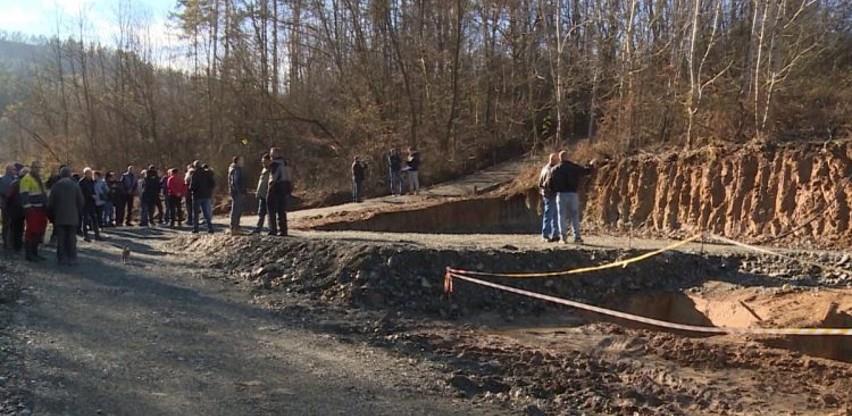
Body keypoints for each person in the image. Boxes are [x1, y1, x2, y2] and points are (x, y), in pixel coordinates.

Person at [549, 151, 593, 244]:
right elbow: (586, 171)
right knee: (574, 216)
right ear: (567, 157)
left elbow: (550, 183)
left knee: (561, 216)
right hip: (573, 194)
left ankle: (563, 238)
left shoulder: (555, 169)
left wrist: (554, 190)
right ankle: (577, 237)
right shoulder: (573, 167)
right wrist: (590, 165)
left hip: (561, 194)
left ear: (560, 158)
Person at [47, 167, 85, 265]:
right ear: (69, 175)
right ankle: (72, 257)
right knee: (72, 238)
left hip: (59, 216)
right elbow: (81, 201)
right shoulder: (75, 186)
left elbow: (50, 203)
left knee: (61, 238)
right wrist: (78, 212)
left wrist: (51, 215)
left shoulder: (56, 186)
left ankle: (62, 258)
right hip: (73, 216)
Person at [20, 161, 48, 261]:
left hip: (41, 209)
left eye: (39, 168)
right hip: (33, 210)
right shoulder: (26, 179)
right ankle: (29, 254)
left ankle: (35, 253)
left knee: (39, 232)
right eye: (36, 168)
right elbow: (24, 196)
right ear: (32, 168)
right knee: (31, 232)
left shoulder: (38, 179)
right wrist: (28, 209)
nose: (38, 170)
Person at [267, 147, 292, 236]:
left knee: (271, 209)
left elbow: (273, 177)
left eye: (272, 153)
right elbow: (289, 176)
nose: (271, 155)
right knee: (282, 210)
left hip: (275, 186)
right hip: (285, 186)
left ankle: (272, 229)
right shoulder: (285, 163)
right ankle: (283, 230)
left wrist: (270, 187)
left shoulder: (274, 164)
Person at [539, 153, 560, 243]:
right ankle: (546, 234)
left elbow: (540, 183)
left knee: (553, 214)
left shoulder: (544, 169)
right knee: (550, 214)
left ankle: (555, 234)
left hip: (547, 194)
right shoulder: (551, 170)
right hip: (550, 194)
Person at [190, 160, 215, 234]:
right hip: (206, 195)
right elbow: (212, 183)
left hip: (197, 196)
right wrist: (209, 190)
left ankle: (196, 228)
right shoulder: (207, 173)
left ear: (194, 166)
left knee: (196, 213)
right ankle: (210, 228)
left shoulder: (194, 174)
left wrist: (191, 189)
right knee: (206, 213)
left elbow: (192, 186)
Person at [4, 166, 25, 253]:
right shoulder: (25, 183)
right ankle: (17, 245)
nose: (15, 171)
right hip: (21, 208)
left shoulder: (15, 183)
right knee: (18, 227)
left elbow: (8, 196)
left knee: (13, 227)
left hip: (14, 207)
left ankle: (12, 245)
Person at [78, 168, 102, 242]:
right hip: (84, 203)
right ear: (85, 174)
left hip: (92, 203)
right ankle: (86, 236)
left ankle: (97, 235)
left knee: (94, 219)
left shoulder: (91, 181)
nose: (91, 175)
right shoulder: (81, 182)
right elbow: (81, 193)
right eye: (89, 174)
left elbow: (93, 189)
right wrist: (90, 195)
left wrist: (94, 195)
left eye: (91, 173)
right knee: (85, 220)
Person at [252, 154, 271, 234]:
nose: (263, 164)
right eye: (262, 162)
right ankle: (258, 228)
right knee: (261, 213)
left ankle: (271, 229)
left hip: (268, 194)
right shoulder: (264, 170)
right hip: (262, 194)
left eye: (265, 162)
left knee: (270, 213)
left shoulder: (271, 170)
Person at [228, 156, 246, 235]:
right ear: (237, 161)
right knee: (236, 210)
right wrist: (241, 191)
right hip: (237, 193)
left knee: (237, 209)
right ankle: (234, 227)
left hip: (236, 192)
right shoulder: (236, 170)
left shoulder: (235, 169)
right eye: (241, 160)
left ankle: (236, 226)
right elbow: (235, 182)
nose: (243, 162)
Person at [0, 164, 16, 251]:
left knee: (10, 224)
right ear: (9, 170)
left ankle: (9, 242)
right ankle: (6, 242)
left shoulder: (14, 179)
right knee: (7, 224)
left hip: (11, 205)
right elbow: (3, 192)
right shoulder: (3, 180)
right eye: (13, 170)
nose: (15, 171)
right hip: (6, 205)